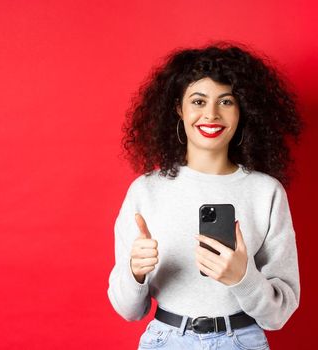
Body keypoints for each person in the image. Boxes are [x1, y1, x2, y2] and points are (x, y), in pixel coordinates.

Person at [107, 42, 303, 350]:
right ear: (178, 109)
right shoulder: (145, 191)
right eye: (198, 101)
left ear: (243, 110)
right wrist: (135, 273)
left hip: (243, 341)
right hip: (165, 341)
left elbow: (277, 316)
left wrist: (243, 277)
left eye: (226, 102)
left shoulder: (266, 192)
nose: (211, 114)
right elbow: (128, 310)